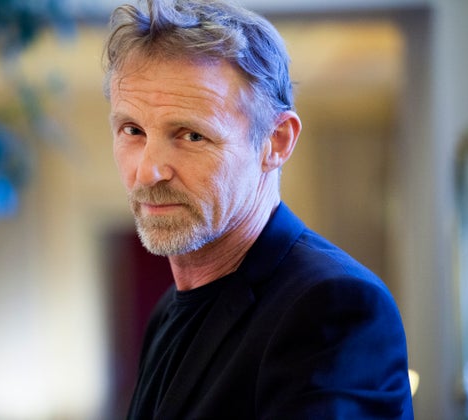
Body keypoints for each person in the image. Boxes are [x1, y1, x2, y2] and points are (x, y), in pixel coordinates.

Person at [103, 0, 414, 418]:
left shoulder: (332, 307)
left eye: (191, 135)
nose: (148, 171)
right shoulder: (167, 312)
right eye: (132, 130)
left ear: (276, 142)